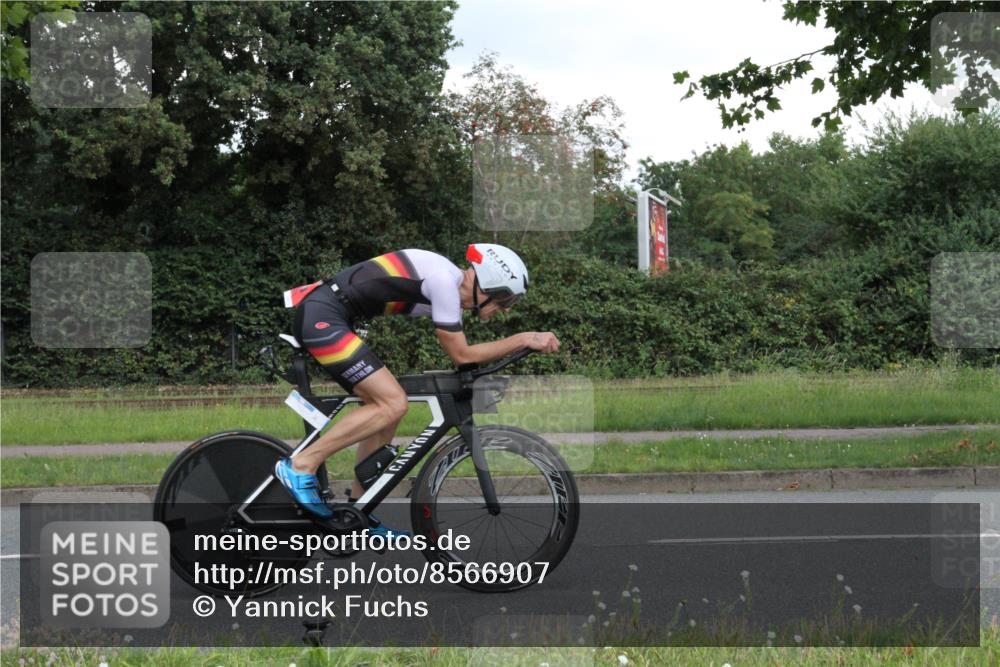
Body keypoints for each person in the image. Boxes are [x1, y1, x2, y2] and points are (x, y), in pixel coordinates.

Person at [274, 244, 560, 539]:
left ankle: (358, 511)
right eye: (506, 298)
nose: (508, 307)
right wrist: (524, 338)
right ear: (488, 284)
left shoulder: (447, 286)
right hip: (323, 317)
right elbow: (462, 355)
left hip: (331, 316)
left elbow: (464, 356)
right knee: (392, 402)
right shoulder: (444, 282)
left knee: (387, 412)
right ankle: (300, 466)